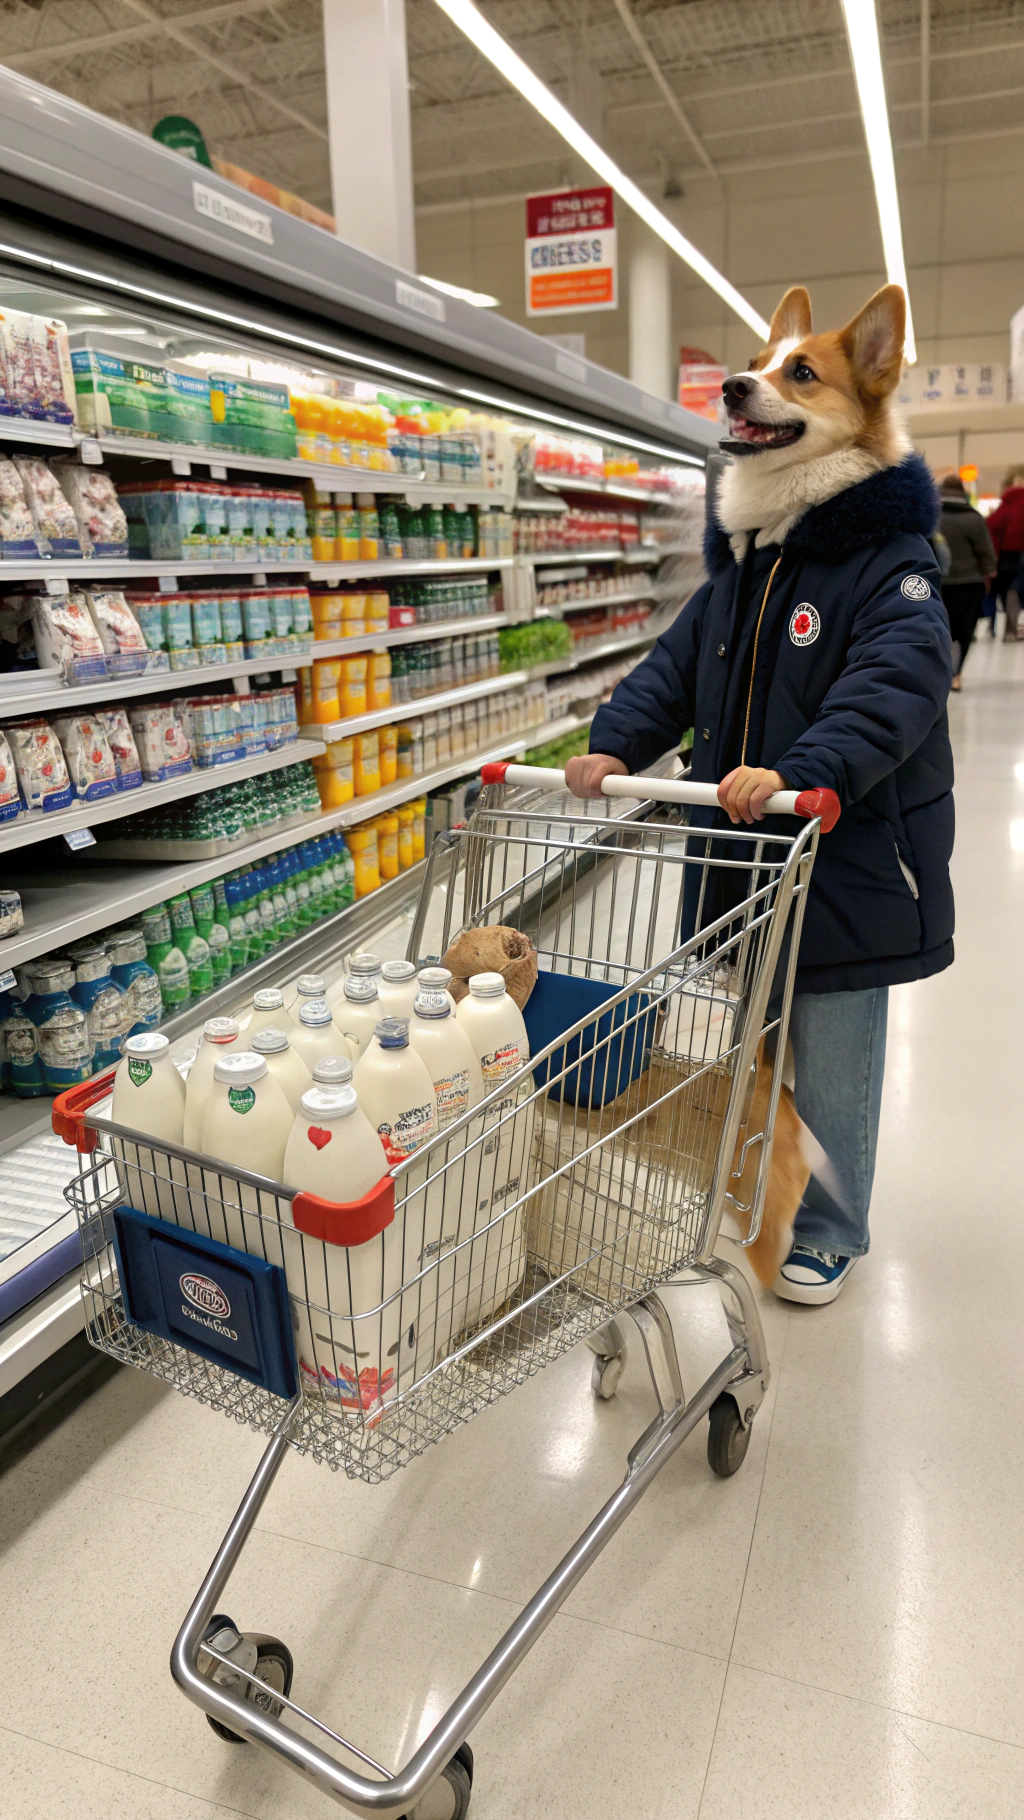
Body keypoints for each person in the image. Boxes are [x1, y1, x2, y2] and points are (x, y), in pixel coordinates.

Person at [566, 284, 953, 1308]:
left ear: (861, 392)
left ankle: (832, 1224)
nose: (759, 383)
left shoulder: (890, 561)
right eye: (762, 370)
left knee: (832, 1050)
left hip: (848, 859)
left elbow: (895, 685)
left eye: (799, 375)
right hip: (743, 856)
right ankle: (774, 1185)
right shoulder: (744, 564)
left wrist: (800, 769)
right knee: (756, 1037)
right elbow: (676, 663)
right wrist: (614, 742)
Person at [938, 474, 997, 687]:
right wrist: (989, 575)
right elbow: (986, 553)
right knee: (964, 631)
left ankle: (941, 671)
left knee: (941, 628)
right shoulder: (974, 518)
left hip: (939, 583)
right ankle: (956, 674)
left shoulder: (933, 517)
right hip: (968, 583)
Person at [984, 464, 1024, 639]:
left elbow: (992, 526)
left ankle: (1010, 630)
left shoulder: (1007, 504)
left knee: (1009, 591)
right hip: (1017, 556)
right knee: (1015, 592)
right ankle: (1012, 629)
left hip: (1008, 557)